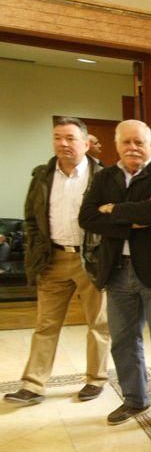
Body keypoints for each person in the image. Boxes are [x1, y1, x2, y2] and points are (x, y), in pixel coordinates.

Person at [79, 119, 151, 431]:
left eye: (139, 142)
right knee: (123, 341)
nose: (133, 148)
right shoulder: (105, 177)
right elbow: (87, 217)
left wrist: (113, 210)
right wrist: (135, 214)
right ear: (117, 145)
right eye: (126, 142)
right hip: (117, 272)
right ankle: (134, 398)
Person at [4, 117, 109, 406]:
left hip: (91, 259)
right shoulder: (41, 176)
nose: (63, 143)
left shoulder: (103, 177)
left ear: (86, 144)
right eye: (57, 137)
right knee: (45, 325)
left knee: (99, 323)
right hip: (52, 258)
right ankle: (33, 385)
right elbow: (31, 218)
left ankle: (96, 379)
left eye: (70, 138)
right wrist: (37, 252)